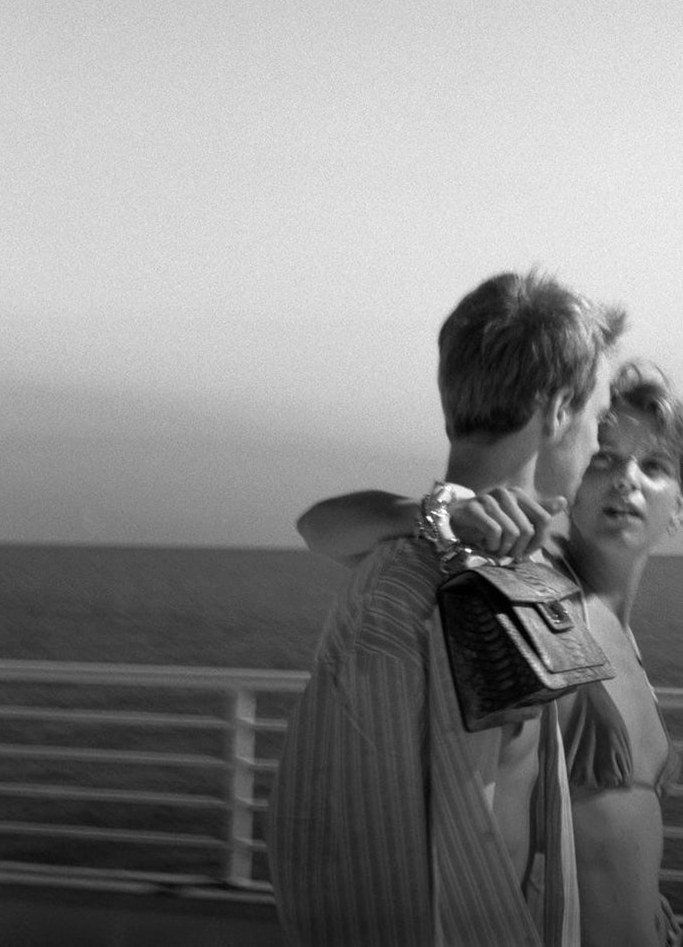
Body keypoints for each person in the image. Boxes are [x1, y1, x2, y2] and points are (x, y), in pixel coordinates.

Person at [266, 269, 625, 947]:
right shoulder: (450, 588)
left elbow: (319, 524)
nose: (598, 444)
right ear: (556, 410)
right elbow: (415, 846)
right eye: (597, 418)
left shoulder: (429, 559)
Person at [297, 360, 683, 947]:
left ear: (680, 503)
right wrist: (436, 513)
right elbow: (320, 526)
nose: (626, 481)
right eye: (604, 459)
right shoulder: (537, 589)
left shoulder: (625, 636)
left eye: (654, 467)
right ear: (573, 476)